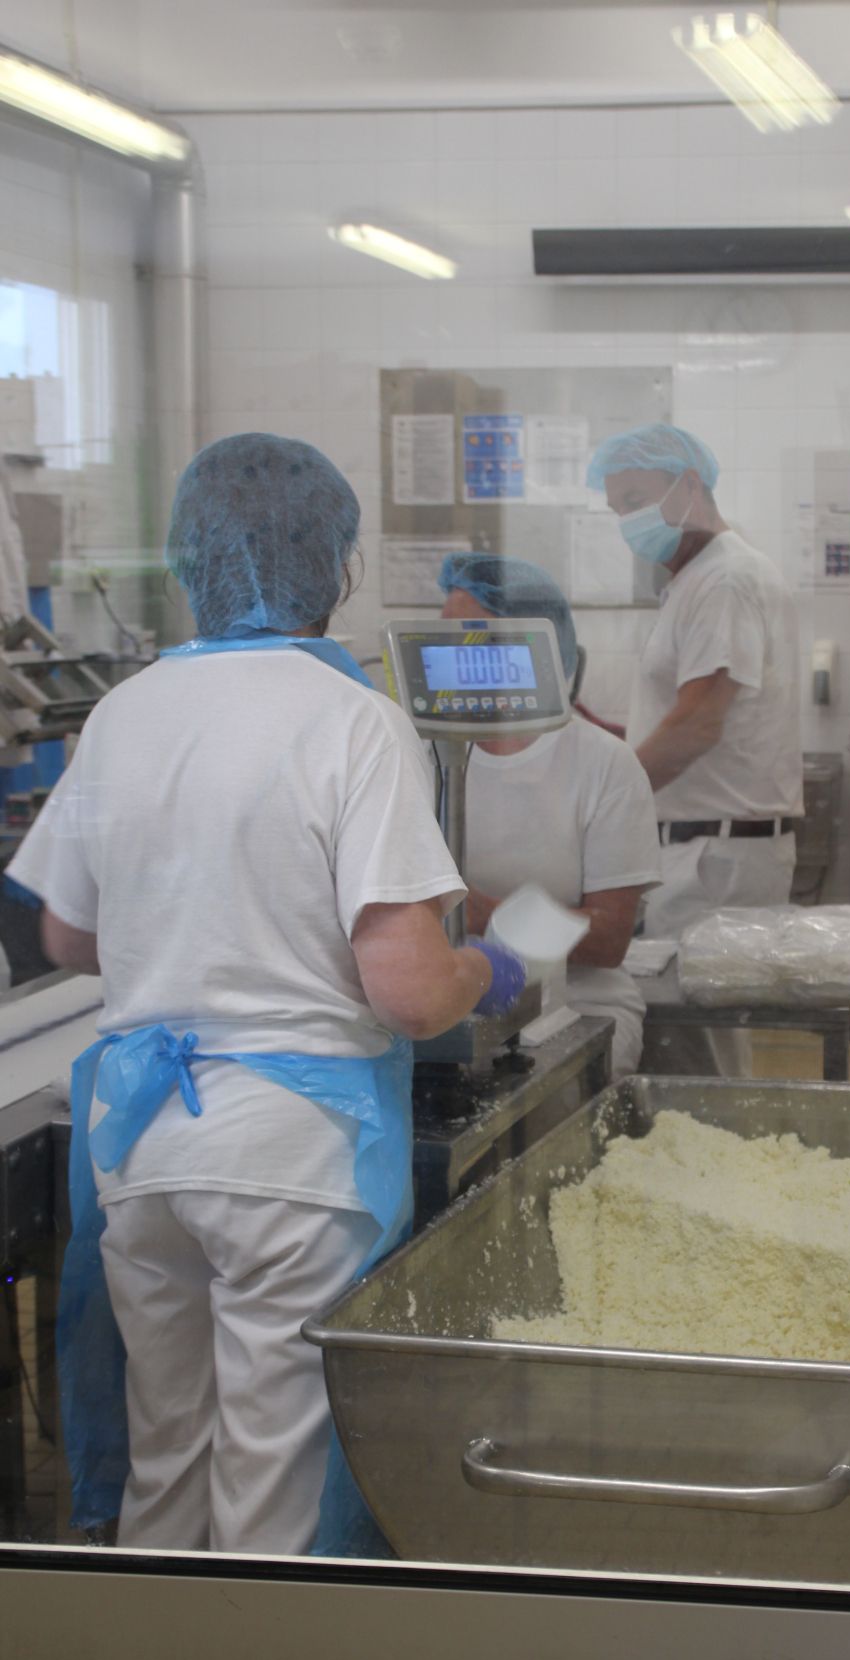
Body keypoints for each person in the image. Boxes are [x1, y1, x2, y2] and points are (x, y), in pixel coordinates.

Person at [8, 432, 523, 1556]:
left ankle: (147, 1658)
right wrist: (488, 968)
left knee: (167, 1451)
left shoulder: (122, 712)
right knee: (271, 1486)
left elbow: (67, 932)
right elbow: (410, 994)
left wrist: (187, 929)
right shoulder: (353, 720)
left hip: (141, 1147)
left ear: (188, 562)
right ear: (336, 567)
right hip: (288, 1159)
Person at [587, 424, 804, 1073]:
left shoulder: (725, 580)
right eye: (617, 509)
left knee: (702, 1057)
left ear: (688, 485)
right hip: (700, 851)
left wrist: (604, 802)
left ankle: (720, 1140)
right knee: (694, 1049)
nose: (627, 521)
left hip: (714, 858)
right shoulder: (697, 580)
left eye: (635, 500)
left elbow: (698, 723)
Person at [439, 553, 661, 1078]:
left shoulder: (602, 763)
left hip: (579, 1004)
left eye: (476, 641)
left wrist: (478, 917)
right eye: (444, 638)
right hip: (446, 995)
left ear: (534, 650)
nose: (453, 656)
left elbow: (609, 940)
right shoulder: (423, 755)